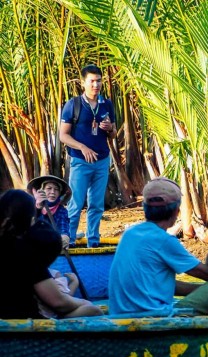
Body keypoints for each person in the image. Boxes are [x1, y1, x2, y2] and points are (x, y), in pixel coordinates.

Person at [108, 177, 208, 317]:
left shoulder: (129, 234)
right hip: (153, 319)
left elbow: (163, 285)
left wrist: (207, 290)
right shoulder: (164, 241)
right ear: (176, 211)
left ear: (145, 208)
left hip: (120, 315)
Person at [0, 189, 103, 319]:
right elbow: (59, 302)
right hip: (22, 321)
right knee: (94, 311)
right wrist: (84, 302)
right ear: (29, 219)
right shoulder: (24, 251)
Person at [59, 64, 117, 248]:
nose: (96, 85)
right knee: (76, 204)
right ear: (83, 82)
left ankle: (93, 241)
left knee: (97, 205)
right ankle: (69, 240)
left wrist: (110, 129)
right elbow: (63, 135)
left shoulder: (106, 104)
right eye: (92, 81)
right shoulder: (74, 104)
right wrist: (82, 147)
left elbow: (113, 133)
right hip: (80, 161)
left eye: (99, 81)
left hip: (101, 161)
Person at [28, 175, 71, 249]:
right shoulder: (32, 207)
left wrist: (64, 237)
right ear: (42, 191)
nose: (52, 192)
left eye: (56, 189)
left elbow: (63, 227)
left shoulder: (61, 211)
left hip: (52, 245)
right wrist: (38, 207)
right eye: (49, 188)